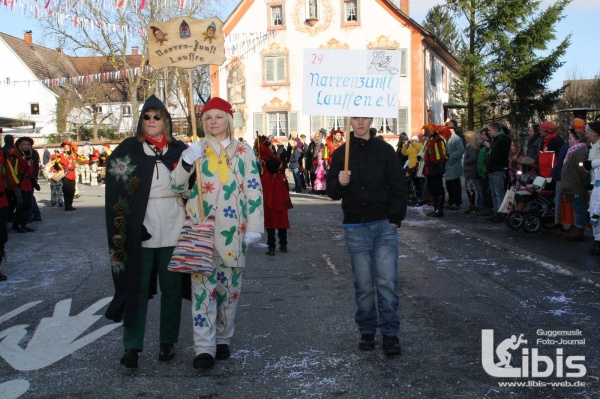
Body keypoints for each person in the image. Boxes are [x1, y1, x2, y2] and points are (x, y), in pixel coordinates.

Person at [170, 97, 264, 369]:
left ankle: (222, 338)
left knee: (229, 292)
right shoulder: (196, 151)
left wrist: (255, 227)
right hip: (201, 233)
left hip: (234, 233)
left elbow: (253, 190)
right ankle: (204, 348)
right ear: (203, 122)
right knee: (202, 292)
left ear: (228, 120)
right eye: (208, 117)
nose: (213, 122)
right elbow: (176, 187)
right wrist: (187, 161)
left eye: (218, 117)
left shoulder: (244, 152)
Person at [104, 94, 190, 369]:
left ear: (166, 122)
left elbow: (197, 187)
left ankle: (168, 341)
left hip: (175, 225)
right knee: (136, 288)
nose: (151, 121)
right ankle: (132, 345)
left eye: (157, 116)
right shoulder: (127, 151)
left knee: (172, 288)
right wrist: (129, 224)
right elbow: (116, 192)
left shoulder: (179, 151)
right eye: (146, 116)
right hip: (140, 228)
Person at [326, 116, 407, 356]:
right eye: (355, 118)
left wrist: (394, 219)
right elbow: (331, 191)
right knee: (364, 285)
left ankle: (390, 333)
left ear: (371, 119)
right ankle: (367, 330)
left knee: (387, 282)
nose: (360, 122)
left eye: (364, 118)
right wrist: (339, 183)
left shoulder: (385, 150)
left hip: (383, 225)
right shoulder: (342, 153)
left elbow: (398, 186)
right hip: (355, 226)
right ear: (349, 121)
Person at [255, 135, 291, 255]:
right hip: (276, 191)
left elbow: (273, 168)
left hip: (272, 191)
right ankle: (282, 245)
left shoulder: (268, 159)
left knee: (273, 220)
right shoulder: (267, 159)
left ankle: (273, 247)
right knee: (278, 219)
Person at [560, 128, 589, 241]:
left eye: (571, 138)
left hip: (577, 185)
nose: (568, 140)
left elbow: (582, 169)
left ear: (578, 139)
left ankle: (580, 229)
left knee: (579, 207)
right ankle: (577, 227)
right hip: (573, 184)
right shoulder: (573, 151)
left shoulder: (580, 151)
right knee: (576, 207)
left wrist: (586, 183)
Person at [0, 132, 19, 281]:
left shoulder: (1, 155)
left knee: (2, 236)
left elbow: (9, 176)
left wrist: (16, 194)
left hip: (1, 202)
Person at [9, 137, 38, 233]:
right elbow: (12, 171)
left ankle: (23, 224)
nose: (26, 146)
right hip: (20, 184)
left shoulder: (29, 156)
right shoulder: (15, 155)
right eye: (24, 144)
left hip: (28, 184)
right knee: (21, 205)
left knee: (28, 204)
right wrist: (15, 184)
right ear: (20, 145)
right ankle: (17, 225)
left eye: (28, 144)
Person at [485, 122, 511, 222]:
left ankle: (501, 213)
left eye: (490, 130)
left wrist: (493, 161)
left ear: (496, 130)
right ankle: (496, 211)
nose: (488, 132)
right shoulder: (495, 140)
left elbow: (500, 156)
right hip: (492, 169)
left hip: (498, 169)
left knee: (499, 192)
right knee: (494, 193)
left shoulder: (502, 140)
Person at [422, 124, 449, 217]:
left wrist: (440, 169)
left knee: (438, 189)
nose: (425, 133)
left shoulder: (438, 140)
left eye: (427, 131)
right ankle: (435, 208)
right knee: (432, 189)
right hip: (430, 167)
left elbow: (442, 156)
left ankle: (439, 210)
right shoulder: (431, 140)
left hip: (436, 167)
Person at [583, 122, 600, 254]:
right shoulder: (593, 145)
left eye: (588, 132)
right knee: (594, 210)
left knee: (597, 211)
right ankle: (597, 240)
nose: (586, 135)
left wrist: (592, 164)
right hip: (596, 182)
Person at [444, 122, 465, 210]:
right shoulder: (447, 138)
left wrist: (452, 157)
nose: (449, 130)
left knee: (455, 184)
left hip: (454, 164)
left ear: (453, 129)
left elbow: (461, 150)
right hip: (448, 165)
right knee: (449, 184)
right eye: (448, 128)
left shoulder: (457, 138)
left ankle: (456, 202)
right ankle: (451, 201)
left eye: (450, 128)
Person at [463, 131, 480, 213]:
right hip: (469, 169)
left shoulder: (472, 147)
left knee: (469, 187)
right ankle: (471, 204)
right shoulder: (470, 146)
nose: (465, 138)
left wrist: (465, 161)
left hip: (470, 169)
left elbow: (473, 158)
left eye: (466, 137)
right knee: (469, 187)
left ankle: (472, 205)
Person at [59, 141, 79, 211]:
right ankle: (67, 205)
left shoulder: (74, 155)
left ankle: (70, 204)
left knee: (72, 190)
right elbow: (57, 163)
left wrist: (89, 161)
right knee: (66, 190)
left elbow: (78, 161)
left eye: (68, 147)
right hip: (66, 174)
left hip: (72, 174)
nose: (66, 148)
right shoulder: (61, 155)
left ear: (70, 147)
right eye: (65, 147)